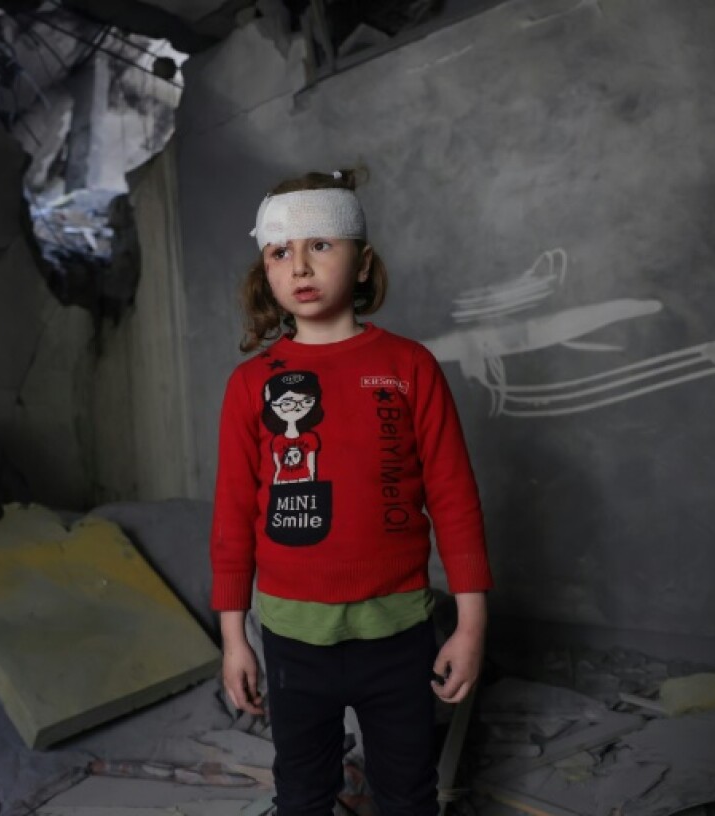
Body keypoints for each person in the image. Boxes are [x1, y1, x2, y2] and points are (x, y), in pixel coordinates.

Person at [209, 169, 494, 816]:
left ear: (362, 262)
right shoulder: (251, 384)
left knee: (408, 796)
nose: (300, 266)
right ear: (265, 270)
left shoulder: (409, 366)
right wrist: (234, 637)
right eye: (280, 252)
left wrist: (471, 624)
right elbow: (232, 516)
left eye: (321, 245)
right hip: (291, 637)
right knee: (302, 797)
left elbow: (454, 499)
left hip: (398, 631)